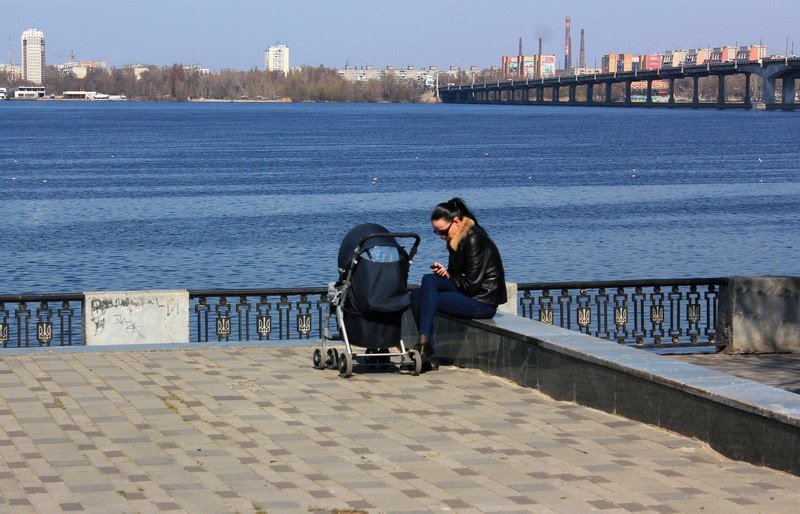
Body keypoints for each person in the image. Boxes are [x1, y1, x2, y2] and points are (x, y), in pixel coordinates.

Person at [410, 197, 507, 371]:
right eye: (437, 233)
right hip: (468, 295)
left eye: (443, 232)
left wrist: (450, 278)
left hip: (483, 303)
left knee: (425, 289)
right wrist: (447, 274)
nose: (441, 237)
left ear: (456, 221)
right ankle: (427, 350)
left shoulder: (474, 239)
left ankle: (425, 347)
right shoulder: (455, 239)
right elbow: (456, 275)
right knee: (418, 293)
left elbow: (471, 286)